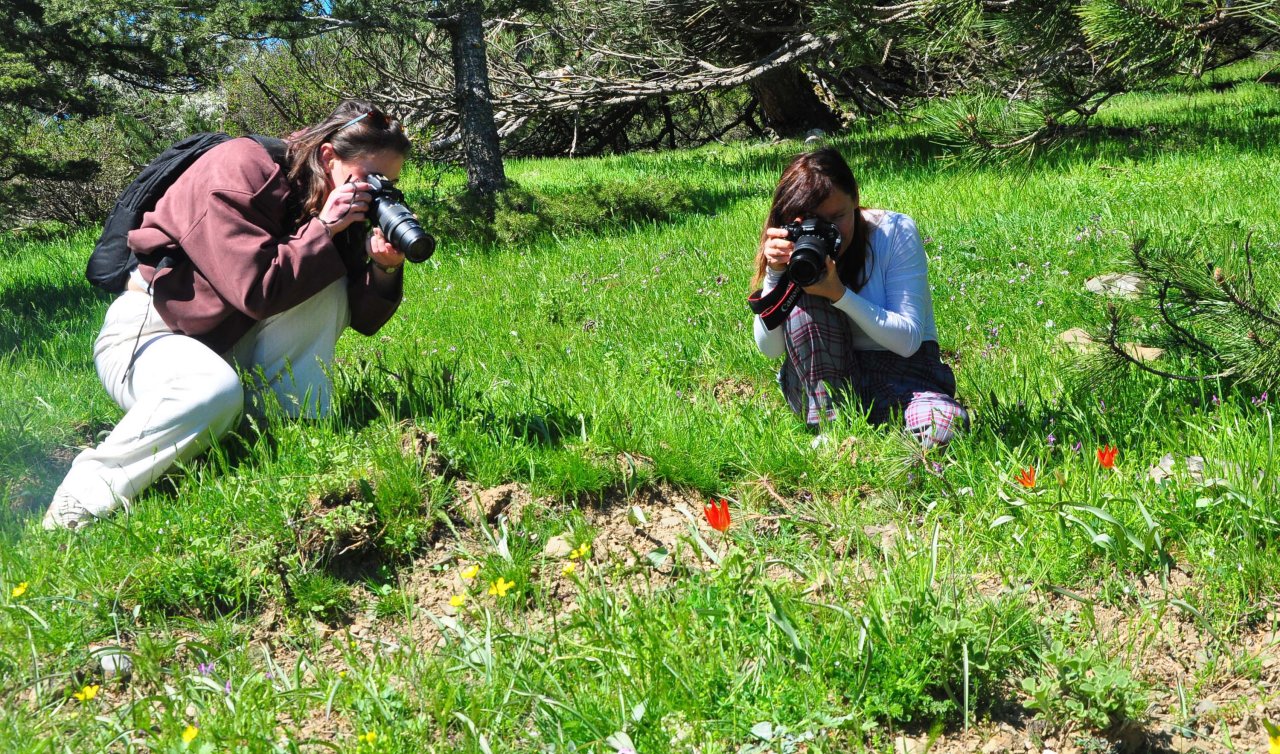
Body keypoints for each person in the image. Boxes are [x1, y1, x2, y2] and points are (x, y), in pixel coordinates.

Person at [44, 100, 413, 529]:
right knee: (211, 390)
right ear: (329, 156)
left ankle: (280, 437)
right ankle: (80, 501)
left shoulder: (333, 197)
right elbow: (255, 289)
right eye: (368, 177)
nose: (375, 191)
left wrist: (385, 267)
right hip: (152, 332)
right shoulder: (238, 168)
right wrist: (324, 231)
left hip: (230, 336)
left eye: (388, 182)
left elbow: (360, 318)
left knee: (324, 280)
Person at [750, 147, 967, 448]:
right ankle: (832, 432)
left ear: (855, 198)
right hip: (825, 384)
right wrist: (776, 275)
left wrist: (839, 294)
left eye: (838, 216)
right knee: (805, 296)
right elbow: (770, 349)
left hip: (907, 378)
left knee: (943, 430)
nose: (829, 231)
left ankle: (891, 442)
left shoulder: (893, 231)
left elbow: (908, 341)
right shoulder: (795, 251)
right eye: (813, 222)